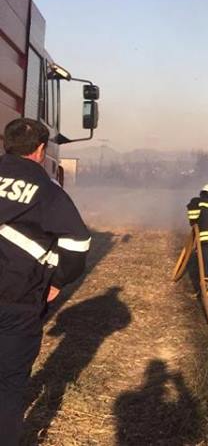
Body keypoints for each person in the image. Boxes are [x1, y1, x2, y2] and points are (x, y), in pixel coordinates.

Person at [0, 118, 90, 444]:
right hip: (18, 302)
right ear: (41, 150)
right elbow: (78, 242)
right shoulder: (48, 191)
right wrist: (60, 279)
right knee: (9, 387)